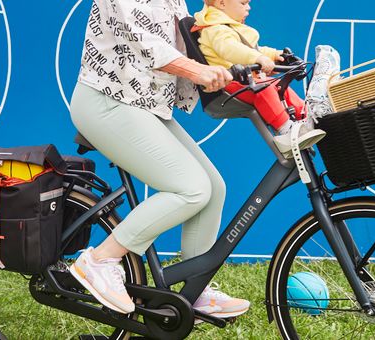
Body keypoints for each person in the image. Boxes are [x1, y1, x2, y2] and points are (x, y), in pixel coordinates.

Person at [67, 0, 251, 319]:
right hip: (107, 101)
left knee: (214, 188)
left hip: (146, 106)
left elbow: (193, 39)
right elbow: (146, 43)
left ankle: (194, 288)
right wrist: (199, 70)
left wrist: (252, 60)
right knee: (191, 189)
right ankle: (99, 261)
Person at [193, 0, 325, 154]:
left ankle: (307, 117)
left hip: (242, 80)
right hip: (227, 83)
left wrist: (275, 55)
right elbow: (231, 50)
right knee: (264, 88)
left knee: (279, 86)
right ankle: (286, 130)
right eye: (243, 3)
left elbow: (252, 49)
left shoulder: (228, 26)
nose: (248, 7)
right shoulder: (216, 29)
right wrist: (258, 58)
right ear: (222, 3)